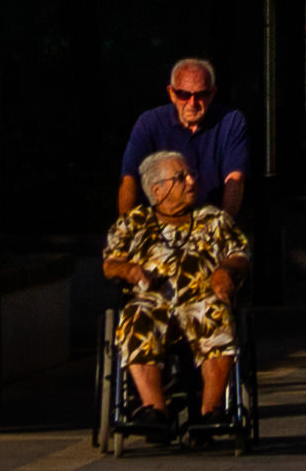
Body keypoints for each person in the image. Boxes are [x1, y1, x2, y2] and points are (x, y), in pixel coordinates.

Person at [103, 146, 250, 430]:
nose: (192, 181)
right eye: (181, 177)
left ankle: (211, 411)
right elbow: (111, 263)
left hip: (202, 298)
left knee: (216, 314)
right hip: (151, 300)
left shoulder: (214, 220)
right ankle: (155, 411)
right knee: (135, 317)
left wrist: (225, 270)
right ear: (157, 190)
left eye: (191, 174)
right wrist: (129, 270)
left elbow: (239, 254)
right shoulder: (134, 223)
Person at [112, 57, 249, 233]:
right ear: (171, 93)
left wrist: (221, 229)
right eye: (184, 94)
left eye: (201, 95)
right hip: (157, 227)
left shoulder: (231, 122)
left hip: (210, 224)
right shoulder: (149, 123)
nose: (192, 103)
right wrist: (127, 229)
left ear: (212, 93)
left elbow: (235, 180)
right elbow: (130, 178)